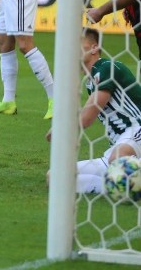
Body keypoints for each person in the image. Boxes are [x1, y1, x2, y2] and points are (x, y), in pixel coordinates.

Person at [46, 29, 141, 194]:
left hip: (136, 130)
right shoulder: (91, 82)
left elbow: (87, 117)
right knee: (55, 176)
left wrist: (61, 130)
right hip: (119, 146)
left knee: (118, 158)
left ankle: (124, 179)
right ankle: (118, 186)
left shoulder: (107, 67)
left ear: (94, 48)